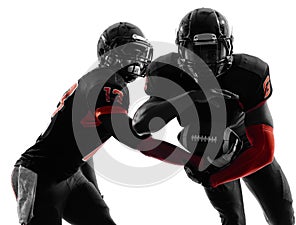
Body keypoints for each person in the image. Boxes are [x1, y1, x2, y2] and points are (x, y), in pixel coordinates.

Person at [11, 22, 202, 225]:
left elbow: (83, 149)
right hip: (39, 174)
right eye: (130, 51)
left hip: (70, 175)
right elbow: (131, 136)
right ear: (109, 53)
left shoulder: (107, 82)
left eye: (139, 52)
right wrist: (188, 158)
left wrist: (93, 189)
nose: (136, 59)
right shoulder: (105, 81)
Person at [132, 8, 295, 225]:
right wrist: (188, 98)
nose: (204, 61)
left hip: (248, 147)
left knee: (282, 214)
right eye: (196, 52)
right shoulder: (169, 72)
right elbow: (140, 126)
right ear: (182, 51)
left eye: (212, 51)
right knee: (233, 219)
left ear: (227, 47)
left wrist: (215, 179)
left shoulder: (247, 74)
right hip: (208, 153)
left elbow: (264, 150)